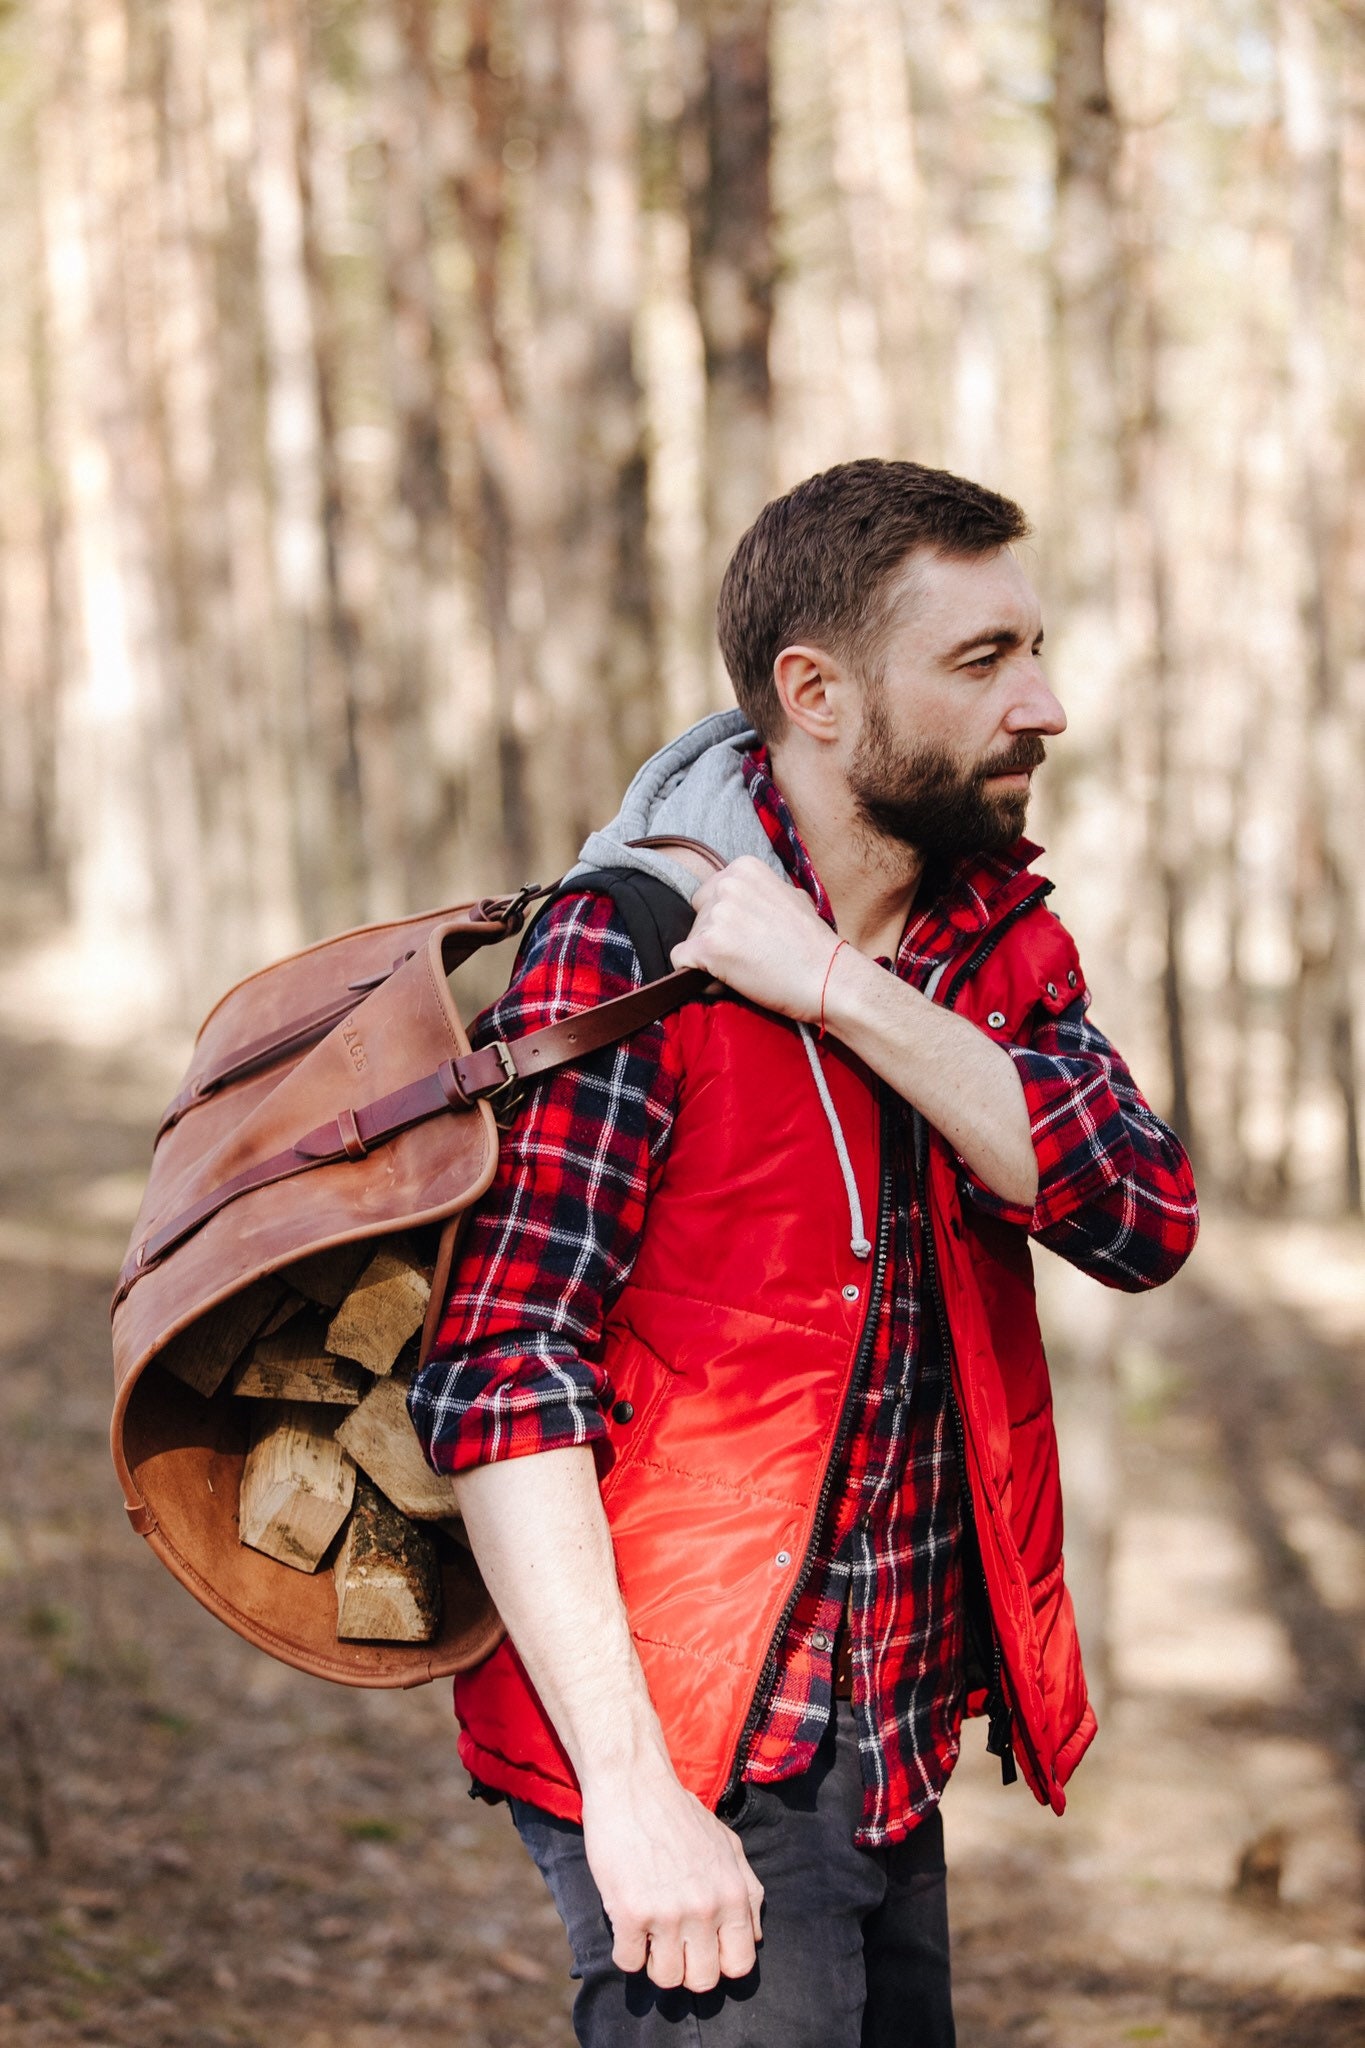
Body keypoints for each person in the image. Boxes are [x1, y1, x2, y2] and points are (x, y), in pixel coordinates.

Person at [409, 459, 1199, 2047]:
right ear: (815, 693)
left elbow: (1136, 1217)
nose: (1040, 704)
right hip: (694, 1744)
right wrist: (632, 1796)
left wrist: (839, 989)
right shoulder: (627, 945)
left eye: (1032, 649)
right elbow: (501, 1373)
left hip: (888, 1739)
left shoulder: (987, 944)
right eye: (982, 661)